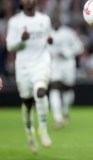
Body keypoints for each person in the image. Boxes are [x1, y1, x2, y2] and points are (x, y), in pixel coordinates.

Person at [6, 0, 52, 153]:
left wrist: (50, 40)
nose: (29, 2)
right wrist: (21, 40)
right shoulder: (15, 22)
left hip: (41, 63)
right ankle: (30, 133)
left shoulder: (44, 20)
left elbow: (48, 38)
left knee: (41, 91)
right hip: (24, 66)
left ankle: (43, 129)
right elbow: (9, 46)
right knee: (27, 103)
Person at [49, 17, 84, 129]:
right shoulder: (47, 33)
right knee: (54, 87)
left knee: (67, 88)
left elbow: (80, 47)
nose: (55, 22)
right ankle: (58, 118)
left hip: (68, 63)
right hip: (54, 64)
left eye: (57, 19)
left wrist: (67, 53)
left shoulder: (69, 33)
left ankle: (65, 110)